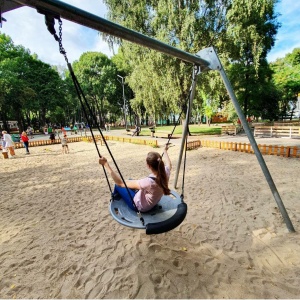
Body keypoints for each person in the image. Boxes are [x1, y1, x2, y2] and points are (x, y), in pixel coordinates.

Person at [99, 144, 171, 212]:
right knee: (130, 180)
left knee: (117, 186)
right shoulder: (165, 172)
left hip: (139, 206)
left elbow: (119, 183)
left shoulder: (149, 182)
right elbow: (169, 164)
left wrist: (106, 164)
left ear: (149, 166)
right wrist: (165, 151)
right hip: (152, 201)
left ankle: (116, 201)